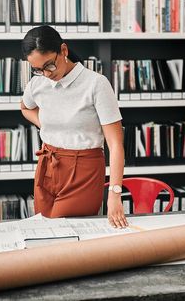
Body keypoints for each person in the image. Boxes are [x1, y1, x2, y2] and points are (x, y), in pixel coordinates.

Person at [20, 25, 128, 228]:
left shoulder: (96, 84)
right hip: (47, 166)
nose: (46, 73)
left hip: (83, 171)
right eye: (38, 69)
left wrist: (114, 193)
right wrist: (49, 126)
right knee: (43, 232)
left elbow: (115, 145)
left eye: (49, 65)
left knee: (65, 236)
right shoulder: (38, 83)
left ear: (64, 51)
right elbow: (25, 108)